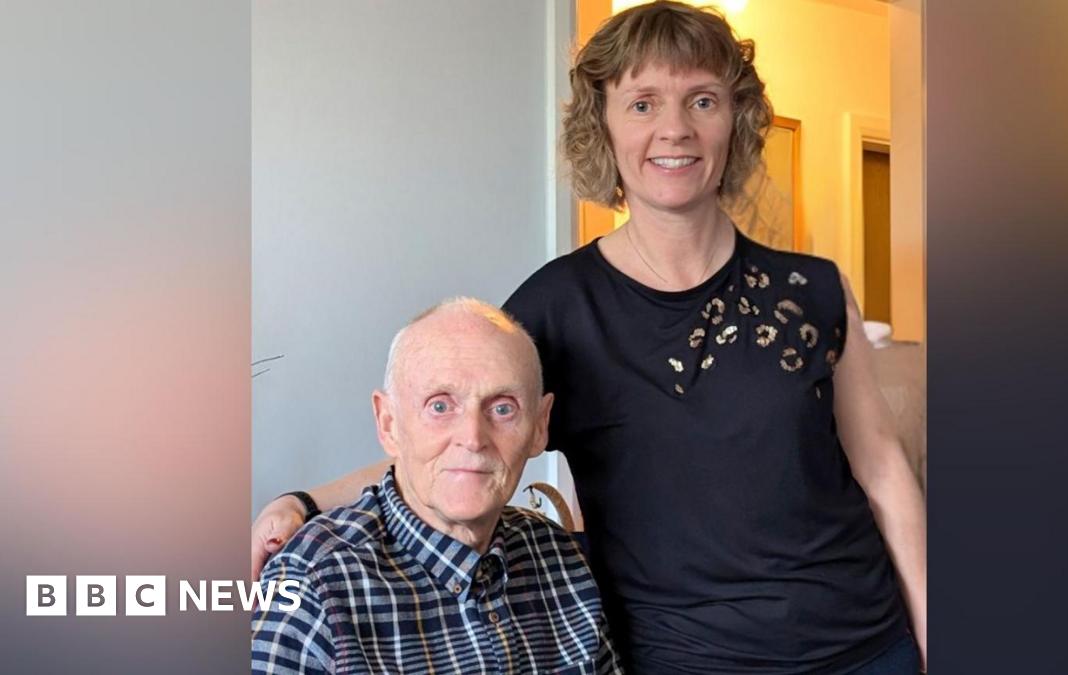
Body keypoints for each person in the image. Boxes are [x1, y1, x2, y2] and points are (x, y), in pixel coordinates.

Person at [253, 2, 927, 672]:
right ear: (602, 125)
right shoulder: (556, 306)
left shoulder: (814, 287)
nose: (675, 128)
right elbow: (459, 436)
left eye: (702, 100)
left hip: (869, 645)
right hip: (680, 658)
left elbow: (884, 472)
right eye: (642, 104)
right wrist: (306, 501)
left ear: (737, 119)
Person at [251, 298, 621, 674]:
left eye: (503, 407)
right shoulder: (312, 580)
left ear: (540, 426)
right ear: (389, 423)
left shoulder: (561, 558)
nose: (473, 438)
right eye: (440, 407)